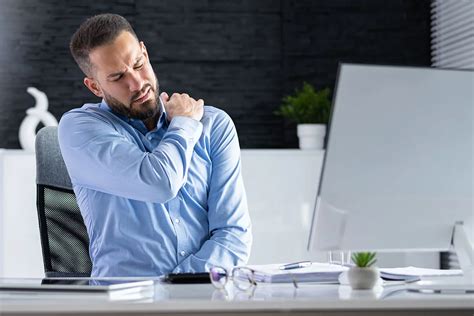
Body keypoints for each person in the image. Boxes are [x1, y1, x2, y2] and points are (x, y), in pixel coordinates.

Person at [58, 13, 252, 277]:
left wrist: (177, 289)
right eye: (117, 77)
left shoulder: (214, 125)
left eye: (138, 64)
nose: (137, 83)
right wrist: (183, 125)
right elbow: (160, 183)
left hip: (204, 296)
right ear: (94, 86)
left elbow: (234, 234)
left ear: (145, 52)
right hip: (124, 303)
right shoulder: (80, 129)